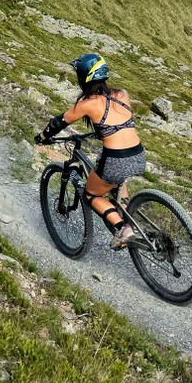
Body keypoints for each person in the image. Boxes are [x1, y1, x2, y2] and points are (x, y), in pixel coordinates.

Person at [34, 53, 146, 249]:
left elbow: (57, 123)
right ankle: (127, 215)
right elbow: (118, 123)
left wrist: (42, 137)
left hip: (115, 160)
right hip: (137, 155)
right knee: (116, 181)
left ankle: (123, 229)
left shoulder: (87, 104)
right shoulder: (122, 94)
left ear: (83, 78)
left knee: (91, 195)